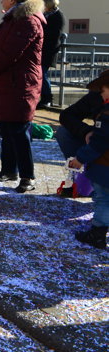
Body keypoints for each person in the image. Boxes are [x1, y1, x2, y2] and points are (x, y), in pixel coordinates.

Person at [0, 0, 45, 193]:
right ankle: (9, 170)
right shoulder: (12, 20)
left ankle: (28, 176)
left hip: (21, 83)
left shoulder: (27, 20)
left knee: (19, 130)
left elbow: (10, 53)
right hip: (9, 81)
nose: (1, 0)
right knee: (7, 129)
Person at [67, 70, 109, 249]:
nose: (101, 94)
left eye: (103, 90)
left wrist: (80, 158)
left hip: (104, 166)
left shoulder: (106, 115)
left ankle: (98, 232)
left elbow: (98, 141)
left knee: (103, 199)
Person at [55, 71, 106, 197]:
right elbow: (67, 115)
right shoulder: (97, 96)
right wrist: (87, 132)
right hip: (100, 140)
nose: (102, 94)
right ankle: (78, 180)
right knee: (63, 132)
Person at [39, 0, 65, 109]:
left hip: (49, 50)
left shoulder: (58, 16)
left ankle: (47, 99)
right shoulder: (47, 15)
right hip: (43, 49)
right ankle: (44, 98)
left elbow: (55, 34)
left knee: (42, 74)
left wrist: (41, 32)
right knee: (40, 74)